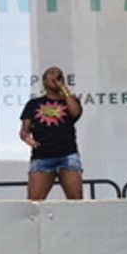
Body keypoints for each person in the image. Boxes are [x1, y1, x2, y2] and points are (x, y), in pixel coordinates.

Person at [20, 66, 84, 200]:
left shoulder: (70, 101)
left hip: (67, 155)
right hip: (42, 156)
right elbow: (24, 131)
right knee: (34, 201)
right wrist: (27, 139)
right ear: (44, 81)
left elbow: (75, 112)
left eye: (59, 73)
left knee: (76, 200)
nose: (55, 74)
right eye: (51, 73)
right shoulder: (34, 103)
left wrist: (63, 89)